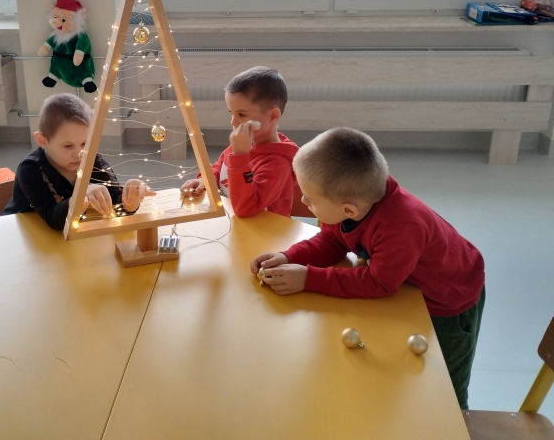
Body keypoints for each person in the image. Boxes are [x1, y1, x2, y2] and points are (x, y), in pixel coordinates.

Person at [250, 127, 485, 409]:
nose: (302, 201)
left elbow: (379, 283)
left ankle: (458, 417)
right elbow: (331, 241)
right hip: (408, 286)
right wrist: (289, 257)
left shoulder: (402, 227)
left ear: (348, 210)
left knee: (445, 382)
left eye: (310, 199)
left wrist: (309, 279)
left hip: (451, 297)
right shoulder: (354, 202)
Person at [2, 93, 154, 229]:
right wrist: (81, 195)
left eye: (85, 143)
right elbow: (54, 220)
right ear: (43, 141)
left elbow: (116, 205)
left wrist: (130, 199)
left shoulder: (92, 159)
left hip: (60, 242)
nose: (79, 154)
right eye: (68, 146)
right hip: (13, 235)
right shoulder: (30, 169)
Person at [180, 66, 298, 217]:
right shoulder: (242, 146)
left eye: (241, 114)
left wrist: (240, 156)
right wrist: (206, 181)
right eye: (231, 113)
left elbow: (246, 208)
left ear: (273, 116)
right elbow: (220, 167)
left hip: (262, 231)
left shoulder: (277, 165)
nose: (233, 122)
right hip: (233, 223)